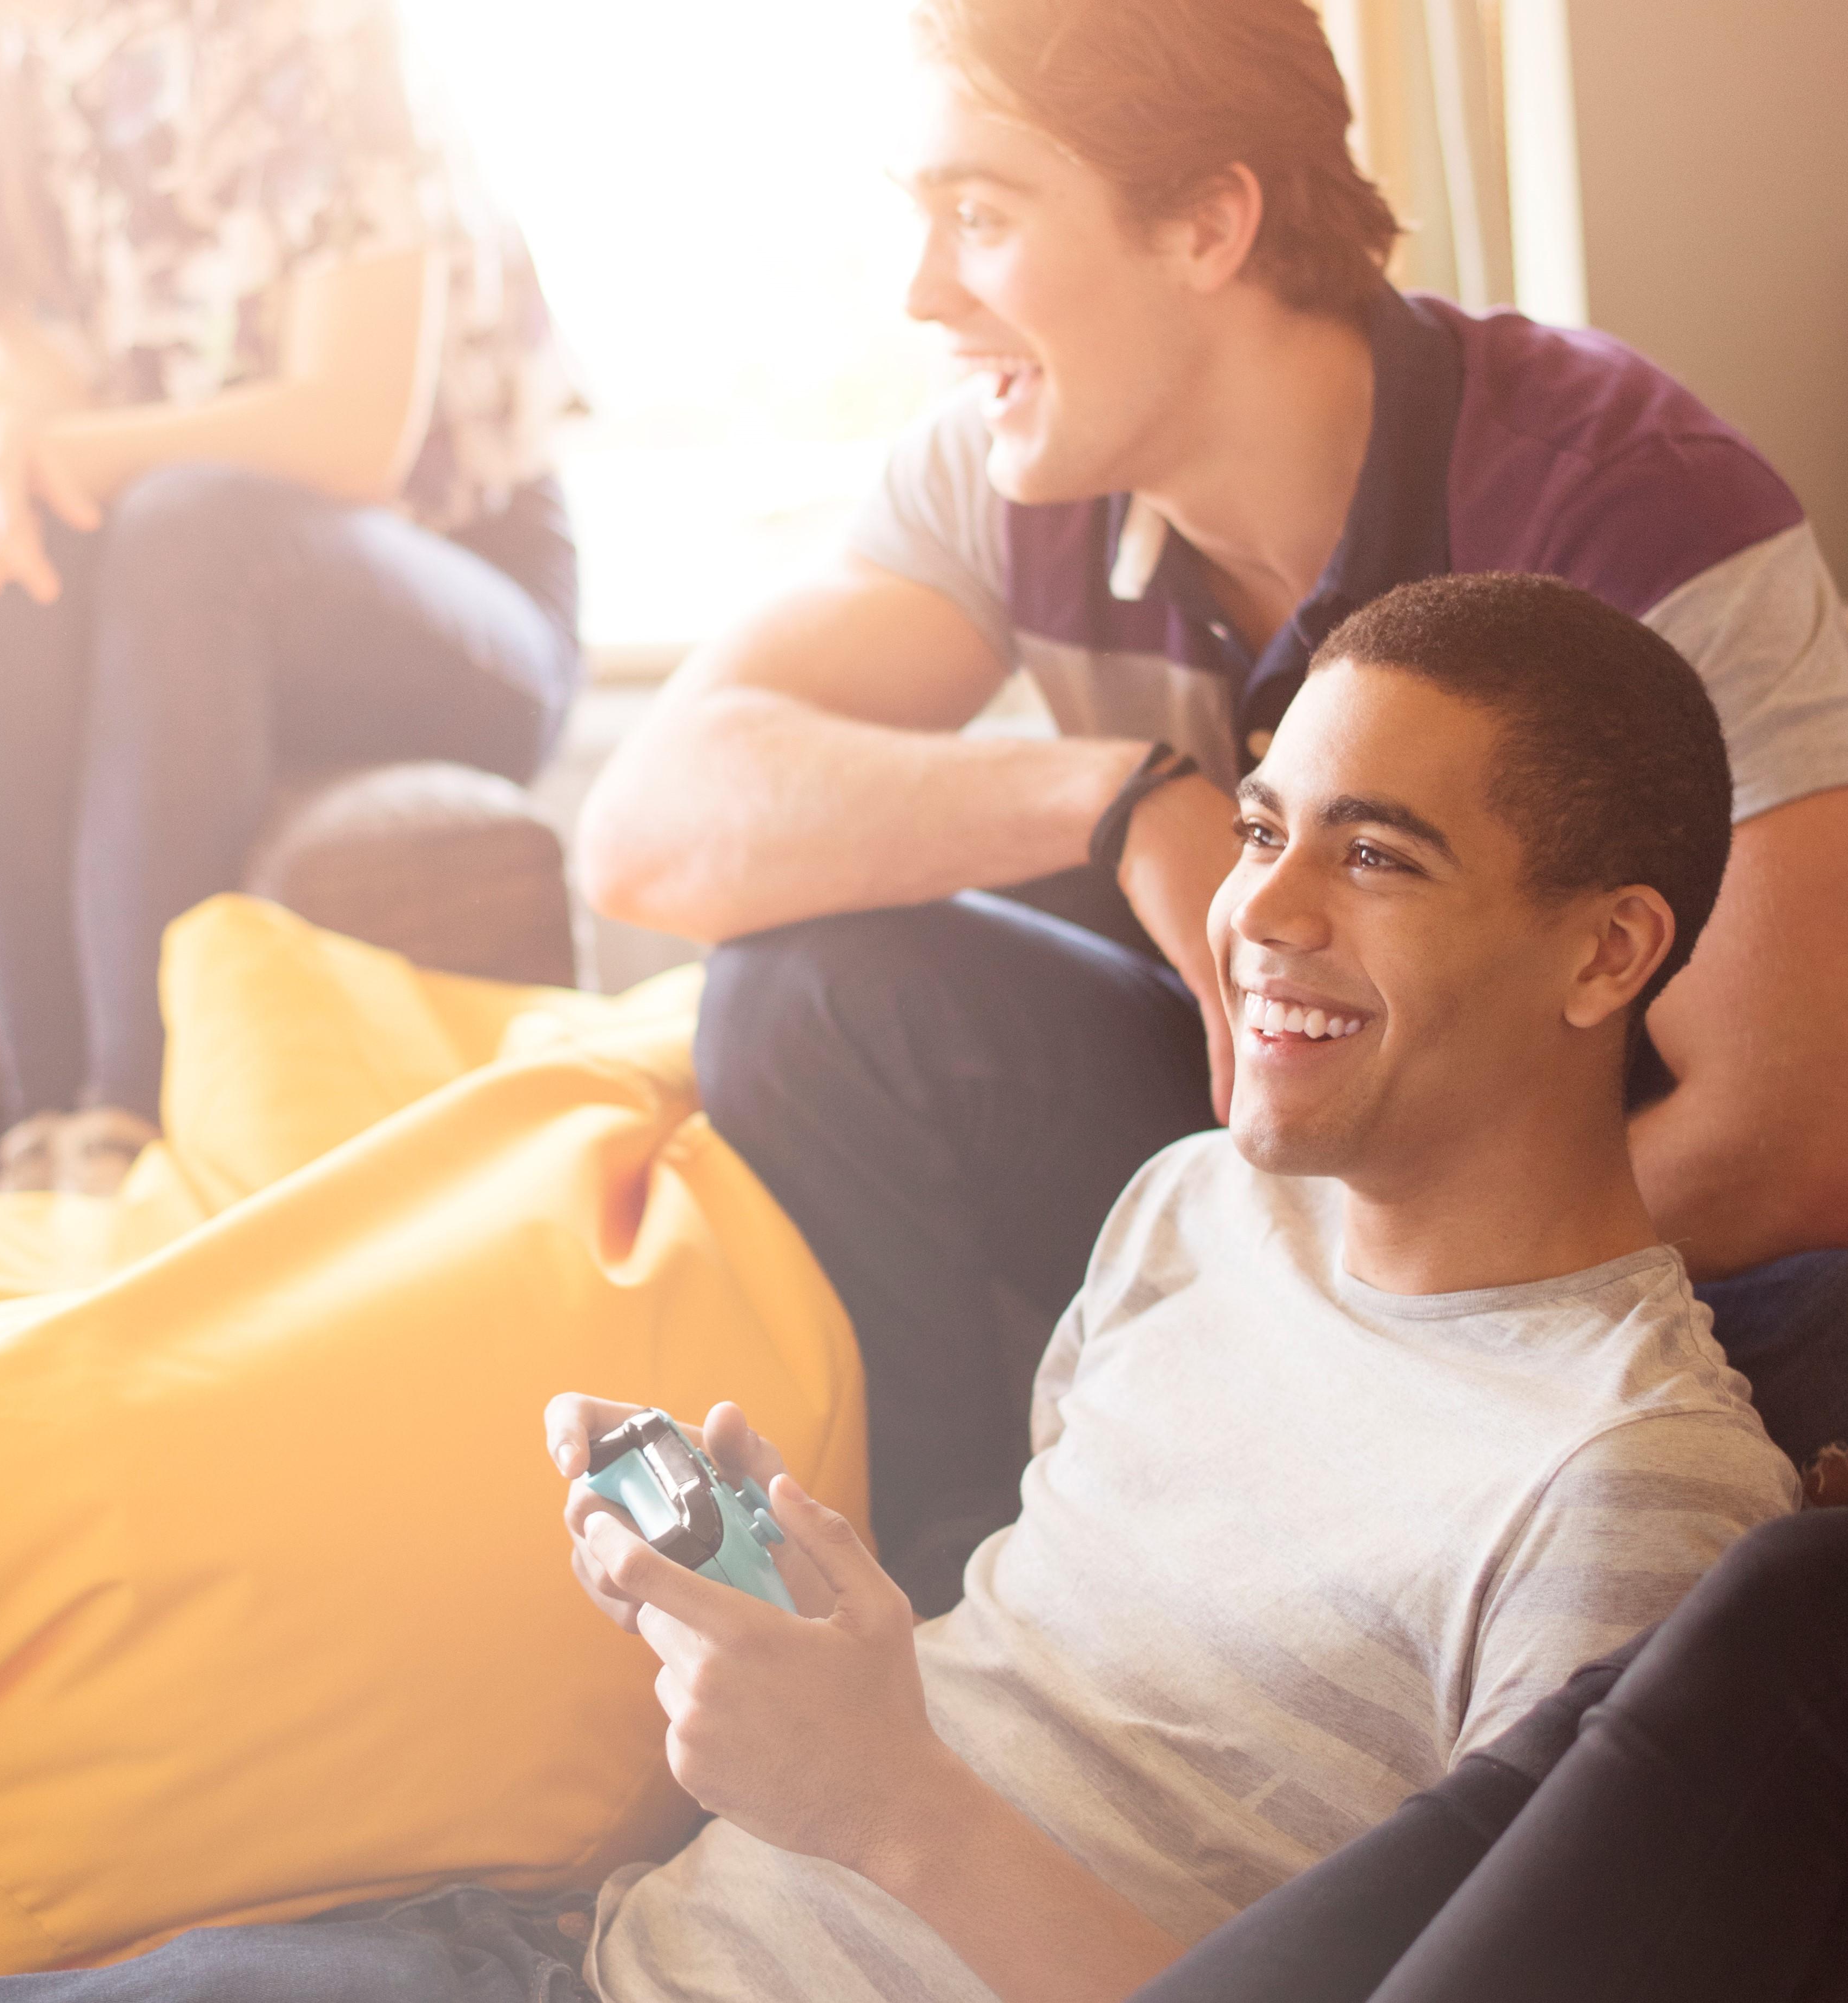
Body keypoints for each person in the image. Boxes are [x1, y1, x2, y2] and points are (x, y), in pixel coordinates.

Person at [576, 0, 1848, 1606]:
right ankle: (945, 1600)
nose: (918, 293)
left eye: (980, 215)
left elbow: (1784, 1130)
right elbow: (644, 826)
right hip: (1258, 1164)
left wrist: (1298, 1315)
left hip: (1578, 1250)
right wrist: (1121, 802)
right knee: (796, 997)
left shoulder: (1623, 504)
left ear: (1206, 224)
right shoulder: (1004, 471)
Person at [551, 574, 1812, 2003]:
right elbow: (1048, 1683)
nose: (1258, 904)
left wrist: (888, 1804)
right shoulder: (1200, 1200)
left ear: (1606, 951)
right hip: (584, 1954)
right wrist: (784, 1625)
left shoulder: (1630, 1487)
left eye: (1376, 856)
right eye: (1262, 829)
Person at [0, 0, 582, 1194]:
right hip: (184, 624)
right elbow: (13, 375)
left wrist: (44, 457)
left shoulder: (308, 13)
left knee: (180, 523)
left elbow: (353, 431)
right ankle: (41, 1147)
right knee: (17, 557)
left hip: (463, 589)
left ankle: (124, 1132)